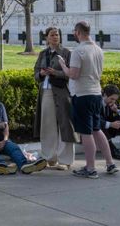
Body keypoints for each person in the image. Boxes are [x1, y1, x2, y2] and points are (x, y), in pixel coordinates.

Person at [58, 21, 118, 179]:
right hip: (96, 94)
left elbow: (74, 74)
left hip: (82, 95)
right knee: (97, 130)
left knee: (86, 133)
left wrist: (63, 66)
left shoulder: (78, 51)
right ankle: (110, 163)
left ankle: (90, 168)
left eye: (74, 32)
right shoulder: (98, 49)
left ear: (78, 32)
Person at [0, 80, 47, 174]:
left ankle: (24, 165)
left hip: (0, 138)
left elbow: (6, 125)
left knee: (13, 147)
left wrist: (5, 140)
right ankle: (2, 165)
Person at [32, 26, 75, 170]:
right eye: (52, 35)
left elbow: (72, 74)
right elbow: (36, 73)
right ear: (47, 38)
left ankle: (65, 160)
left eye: (57, 35)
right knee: (47, 125)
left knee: (64, 125)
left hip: (62, 92)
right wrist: (42, 74)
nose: (55, 37)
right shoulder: (43, 54)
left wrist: (55, 72)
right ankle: (49, 156)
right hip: (46, 92)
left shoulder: (66, 53)